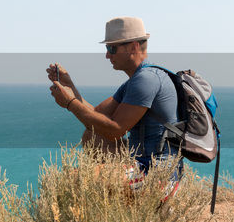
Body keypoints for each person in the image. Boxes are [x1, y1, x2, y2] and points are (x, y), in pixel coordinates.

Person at [46, 16, 179, 175]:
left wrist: (70, 103)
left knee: (75, 178)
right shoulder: (135, 81)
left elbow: (115, 130)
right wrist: (70, 86)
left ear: (133, 47)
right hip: (140, 160)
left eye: (111, 49)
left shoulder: (146, 79)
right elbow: (96, 115)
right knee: (92, 136)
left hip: (156, 171)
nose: (107, 56)